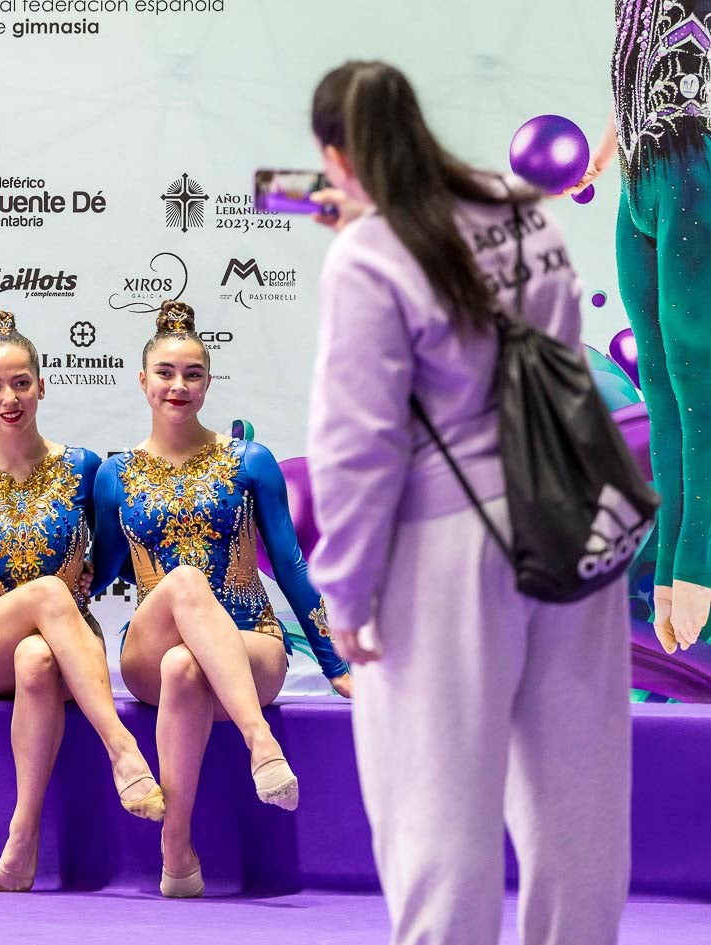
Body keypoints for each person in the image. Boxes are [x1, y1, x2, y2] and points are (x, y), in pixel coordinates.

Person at [306, 61, 628, 945]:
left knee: (435, 805)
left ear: (335, 159)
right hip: (571, 518)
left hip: (445, 544)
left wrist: (345, 588)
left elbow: (357, 443)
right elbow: (561, 356)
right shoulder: (520, 205)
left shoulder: (369, 253)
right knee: (579, 799)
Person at [93, 300, 351, 899]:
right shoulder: (116, 474)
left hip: (248, 639)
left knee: (188, 666)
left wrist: (334, 663)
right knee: (182, 583)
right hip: (150, 646)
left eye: (192, 374)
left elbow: (288, 563)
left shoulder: (250, 463)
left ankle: (177, 848)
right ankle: (262, 742)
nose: (178, 386)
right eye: (165, 373)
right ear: (142, 380)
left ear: (208, 382)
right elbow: (103, 570)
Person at [0, 311, 165, 894]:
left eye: (21, 383)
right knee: (46, 595)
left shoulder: (84, 468)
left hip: (64, 648)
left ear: (42, 384)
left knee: (36, 658)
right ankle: (123, 749)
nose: (9, 398)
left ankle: (23, 835)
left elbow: (108, 561)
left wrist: (91, 576)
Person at [569, 1, 711, 652]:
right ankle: (668, 561)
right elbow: (630, 70)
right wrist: (603, 153)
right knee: (658, 387)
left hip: (691, 169)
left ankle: (697, 563)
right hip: (637, 179)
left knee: (695, 381)